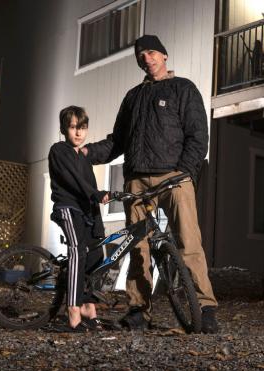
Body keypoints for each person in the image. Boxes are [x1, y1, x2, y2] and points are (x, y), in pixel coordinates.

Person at [83, 34, 219, 333]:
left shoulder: (183, 88)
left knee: (189, 243)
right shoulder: (133, 96)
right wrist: (86, 153)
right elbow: (117, 141)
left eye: (152, 52)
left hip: (174, 177)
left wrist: (185, 171)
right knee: (137, 247)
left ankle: (206, 308)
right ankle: (138, 311)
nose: (147, 58)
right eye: (141, 55)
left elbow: (198, 136)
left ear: (164, 55)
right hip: (137, 181)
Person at [48, 106, 109, 332]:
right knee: (77, 251)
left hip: (86, 212)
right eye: (73, 127)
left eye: (82, 128)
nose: (78, 133)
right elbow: (75, 182)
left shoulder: (84, 157)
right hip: (68, 208)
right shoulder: (59, 150)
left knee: (96, 254)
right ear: (64, 128)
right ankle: (72, 308)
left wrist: (98, 224)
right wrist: (95, 194)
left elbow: (90, 188)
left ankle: (88, 307)